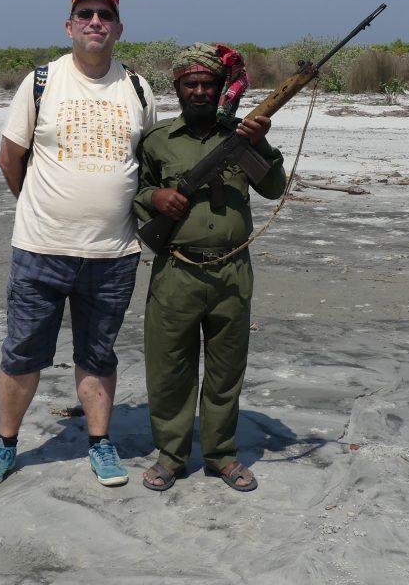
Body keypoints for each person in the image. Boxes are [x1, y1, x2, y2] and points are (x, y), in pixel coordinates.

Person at [0, 0, 157, 488]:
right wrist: (41, 209)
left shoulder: (138, 90)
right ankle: (6, 444)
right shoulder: (41, 82)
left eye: (105, 15)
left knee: (98, 354)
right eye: (85, 14)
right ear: (69, 26)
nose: (95, 21)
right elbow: (11, 158)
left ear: (118, 28)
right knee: (22, 351)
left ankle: (100, 442)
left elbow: (147, 165)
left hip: (113, 252)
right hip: (40, 250)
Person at [133, 43, 286, 492]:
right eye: (190, 84)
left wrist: (260, 142)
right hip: (176, 271)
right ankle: (171, 455)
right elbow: (135, 192)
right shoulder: (158, 140)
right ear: (178, 88)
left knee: (225, 371)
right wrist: (155, 199)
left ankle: (221, 455)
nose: (199, 91)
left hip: (232, 273)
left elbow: (274, 189)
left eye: (208, 84)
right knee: (169, 370)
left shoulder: (241, 136)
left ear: (221, 88)